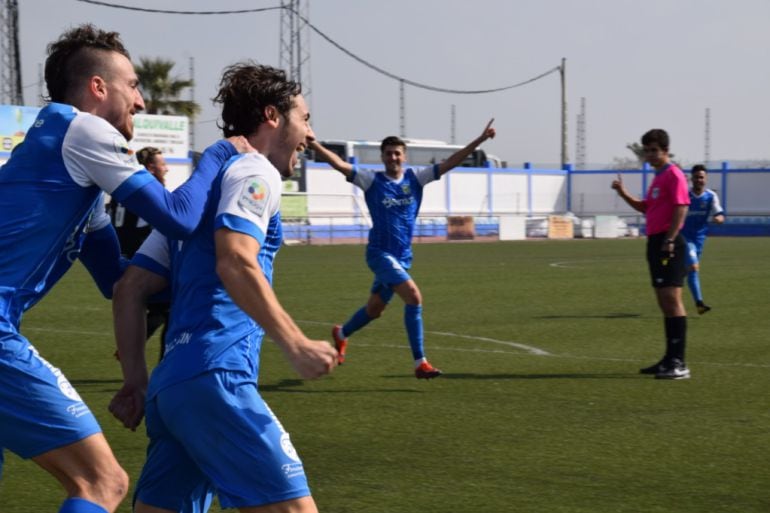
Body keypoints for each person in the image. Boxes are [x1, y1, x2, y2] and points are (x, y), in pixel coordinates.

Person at [0, 24, 245, 513]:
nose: (140, 102)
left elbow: (119, 281)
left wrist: (203, 286)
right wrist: (217, 153)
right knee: (101, 482)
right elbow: (177, 218)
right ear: (98, 87)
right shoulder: (84, 129)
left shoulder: (66, 159)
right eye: (133, 85)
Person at [109, 62, 338, 513]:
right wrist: (295, 344)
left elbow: (129, 288)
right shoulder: (256, 170)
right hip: (218, 379)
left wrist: (136, 380)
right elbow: (235, 258)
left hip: (172, 388)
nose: (310, 135)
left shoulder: (198, 194)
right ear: (273, 116)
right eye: (305, 119)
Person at [309, 120, 496, 379]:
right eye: (388, 153)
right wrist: (313, 143)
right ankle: (421, 363)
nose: (393, 157)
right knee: (414, 297)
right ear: (382, 157)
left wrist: (479, 140)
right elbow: (340, 165)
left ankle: (341, 334)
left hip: (403, 258)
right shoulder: (371, 180)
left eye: (397, 153)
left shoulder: (415, 179)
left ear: (404, 156)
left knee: (375, 309)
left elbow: (451, 162)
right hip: (379, 254)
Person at [611, 128, 691, 380]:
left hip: (669, 242)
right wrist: (623, 194)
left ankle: (679, 363)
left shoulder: (674, 175)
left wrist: (669, 238)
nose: (650, 155)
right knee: (663, 302)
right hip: (655, 241)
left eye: (654, 150)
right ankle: (669, 359)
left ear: (666, 151)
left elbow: (681, 208)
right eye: (646, 151)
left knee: (672, 299)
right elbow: (647, 208)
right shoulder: (657, 177)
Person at [107, 147, 171, 356]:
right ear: (151, 168)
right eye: (162, 165)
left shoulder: (120, 193)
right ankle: (164, 368)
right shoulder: (152, 193)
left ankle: (130, 348)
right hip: (148, 262)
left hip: (124, 260)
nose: (167, 169)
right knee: (169, 311)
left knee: (160, 310)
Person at [681, 164, 725, 314]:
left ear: (706, 179)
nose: (699, 180)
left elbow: (719, 213)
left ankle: (697, 306)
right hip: (684, 238)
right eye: (696, 177)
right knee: (693, 267)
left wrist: (719, 218)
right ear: (692, 179)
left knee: (689, 272)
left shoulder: (711, 196)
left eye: (702, 177)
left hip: (699, 239)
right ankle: (699, 302)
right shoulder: (685, 195)